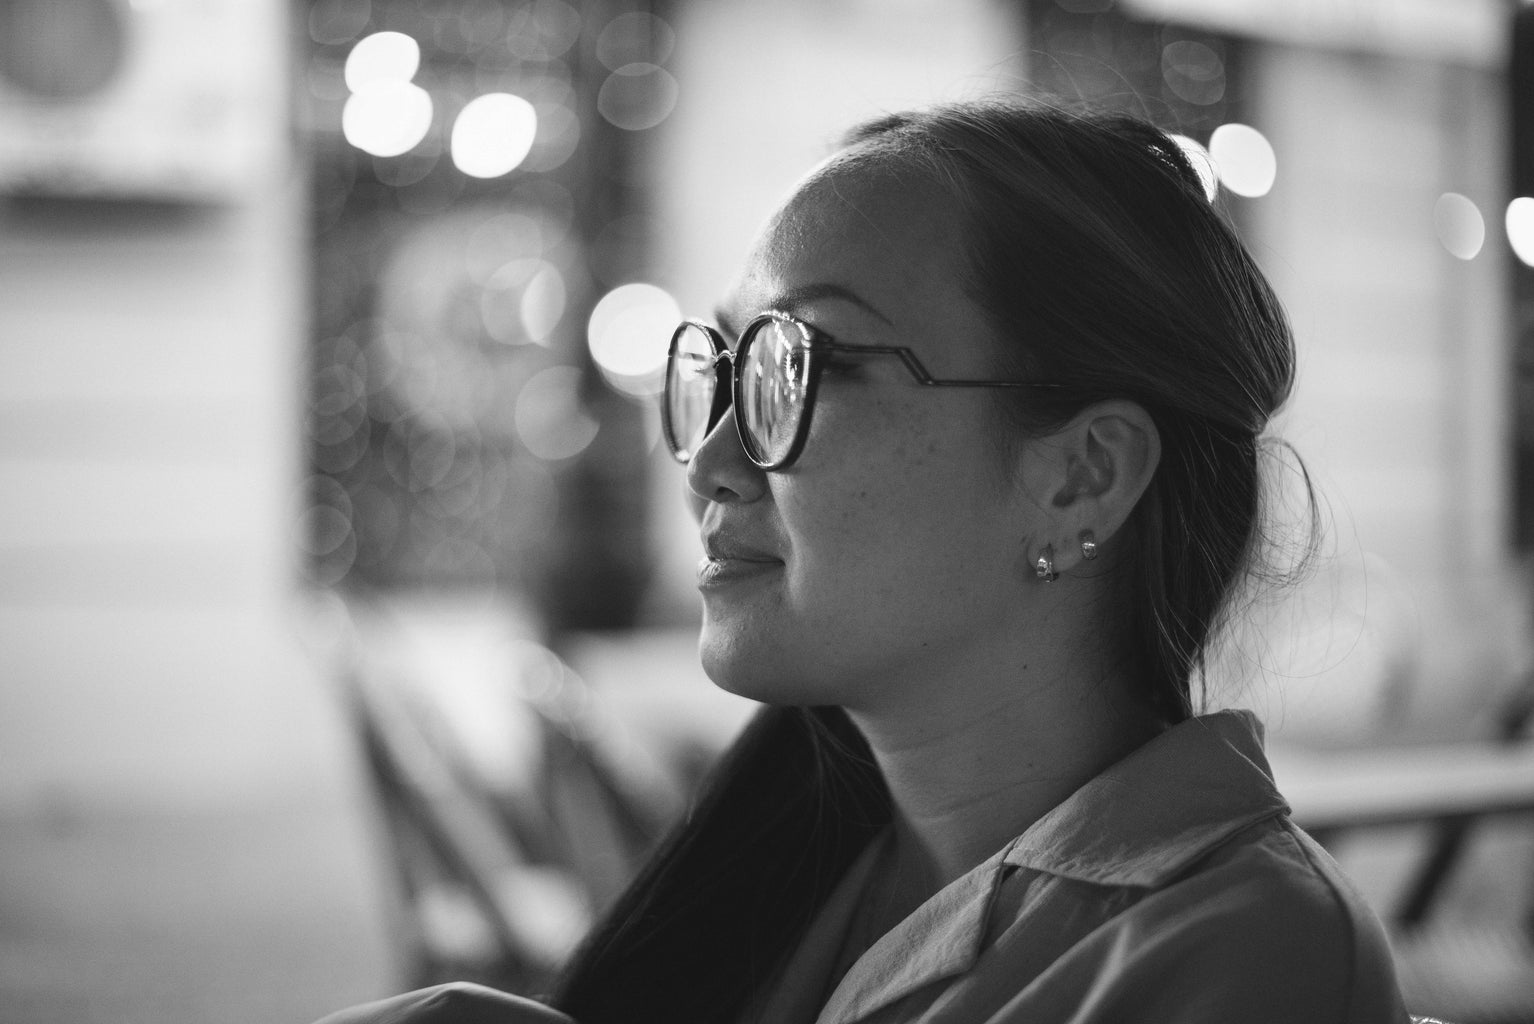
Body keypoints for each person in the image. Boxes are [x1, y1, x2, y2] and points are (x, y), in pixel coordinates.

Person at [315, 99, 1409, 1024]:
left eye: (803, 368)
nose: (710, 462)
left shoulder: (1244, 956)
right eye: (727, 368)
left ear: (1080, 475)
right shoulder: (790, 845)